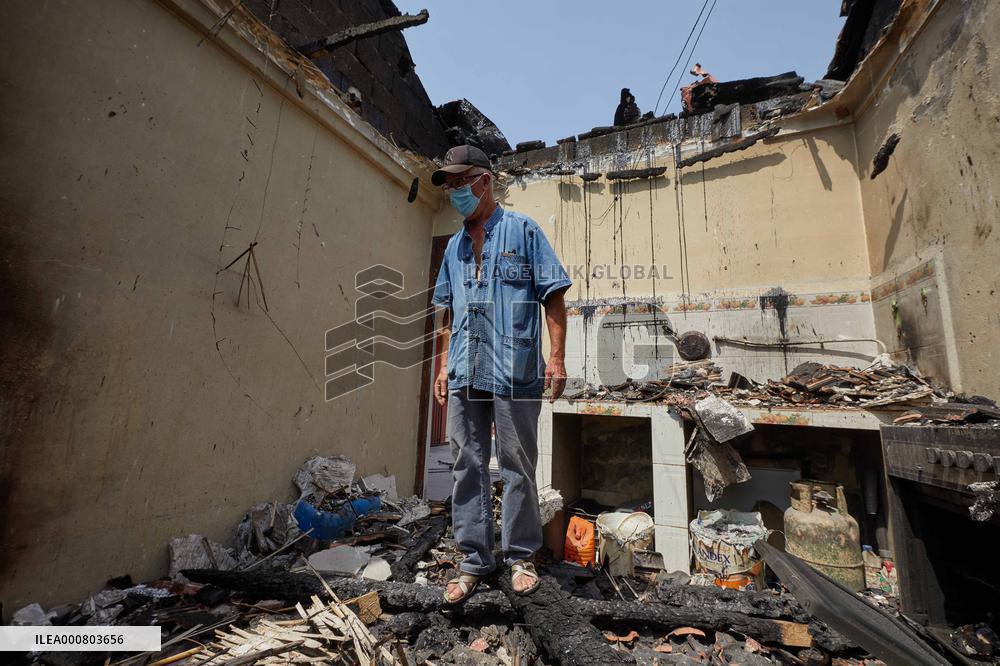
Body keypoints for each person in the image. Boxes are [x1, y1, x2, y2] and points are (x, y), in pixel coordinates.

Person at [430, 145, 571, 603]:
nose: (455, 191)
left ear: (484, 181)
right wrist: (442, 365)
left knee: (517, 464)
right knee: (466, 465)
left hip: (515, 370)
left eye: (460, 182)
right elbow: (447, 312)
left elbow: (553, 296)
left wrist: (557, 358)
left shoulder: (523, 231)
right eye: (450, 185)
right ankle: (474, 559)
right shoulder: (453, 247)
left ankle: (520, 556)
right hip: (464, 369)